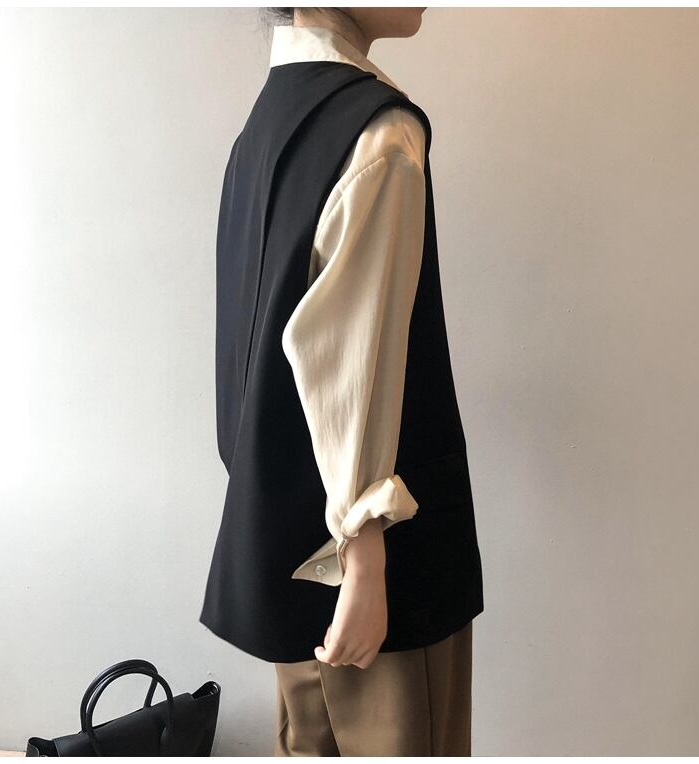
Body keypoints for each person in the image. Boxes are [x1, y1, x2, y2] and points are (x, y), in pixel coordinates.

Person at [199, 7, 485, 756]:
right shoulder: (379, 133)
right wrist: (364, 558)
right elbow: (348, 357)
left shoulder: (262, 127)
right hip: (375, 579)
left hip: (287, 545)